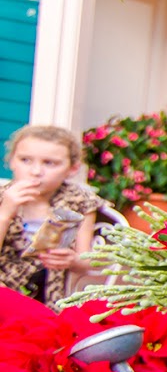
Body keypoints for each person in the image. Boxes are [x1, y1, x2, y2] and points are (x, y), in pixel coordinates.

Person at [0, 125, 101, 305]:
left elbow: (86, 262)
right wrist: (5, 213)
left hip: (47, 298)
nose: (36, 171)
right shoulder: (3, 197)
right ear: (12, 161)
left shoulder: (79, 202)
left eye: (49, 163)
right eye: (25, 160)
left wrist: (73, 261)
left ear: (72, 169)